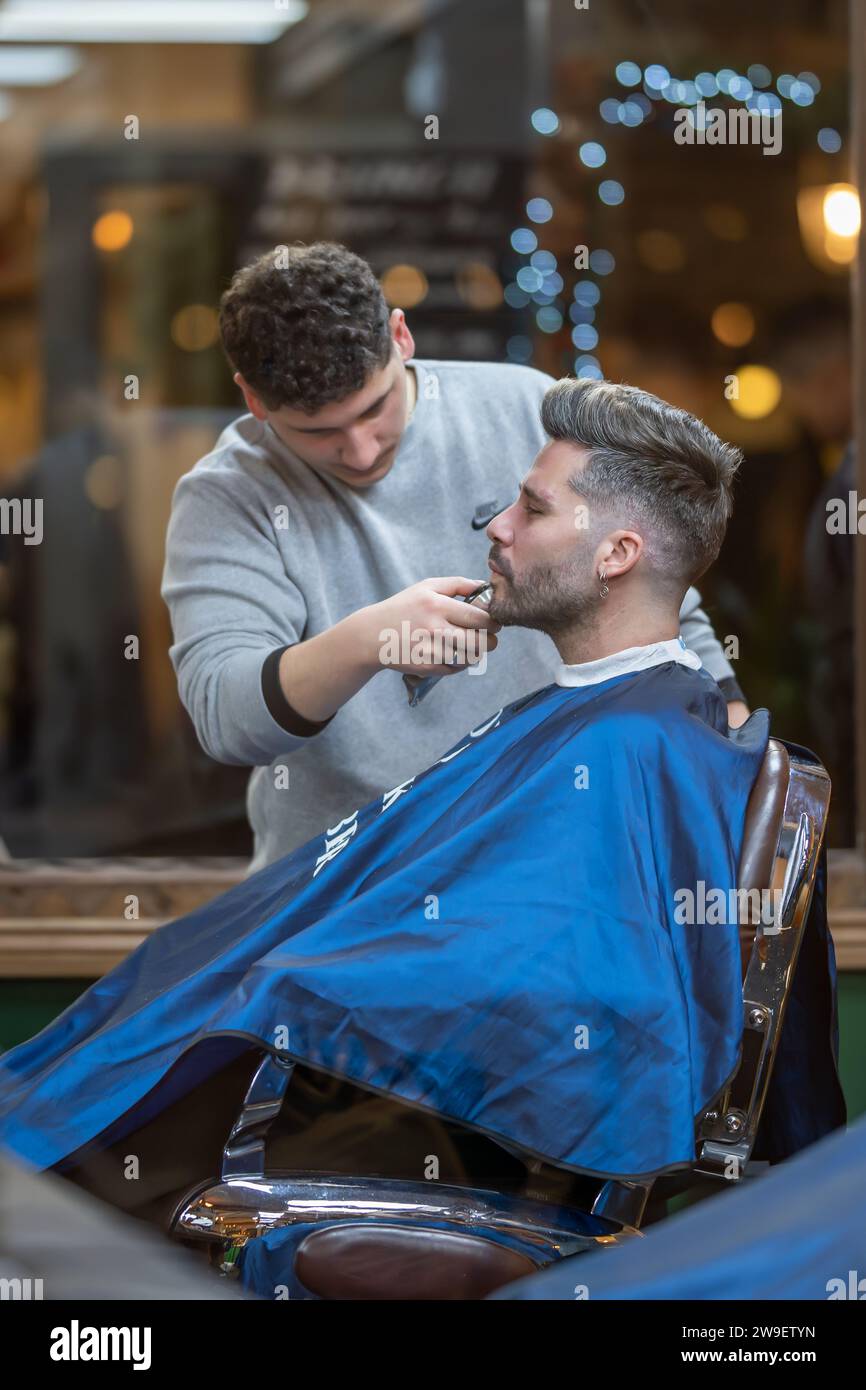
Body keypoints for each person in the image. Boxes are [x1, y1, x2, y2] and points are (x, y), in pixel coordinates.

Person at [1, 377, 795, 1247]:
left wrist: (303, 982)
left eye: (532, 508)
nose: (496, 525)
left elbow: (585, 996)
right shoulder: (607, 718)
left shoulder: (632, 746)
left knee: (79, 1150)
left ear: (616, 555)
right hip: (324, 1062)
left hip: (375, 1121)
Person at [162, 242, 748, 873]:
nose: (360, 452)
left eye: (373, 409)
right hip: (340, 894)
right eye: (318, 431)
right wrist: (364, 642)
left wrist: (734, 741)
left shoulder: (525, 410)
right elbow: (227, 719)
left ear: (400, 336)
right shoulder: (228, 496)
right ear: (252, 399)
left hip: (538, 862)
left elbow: (658, 596)